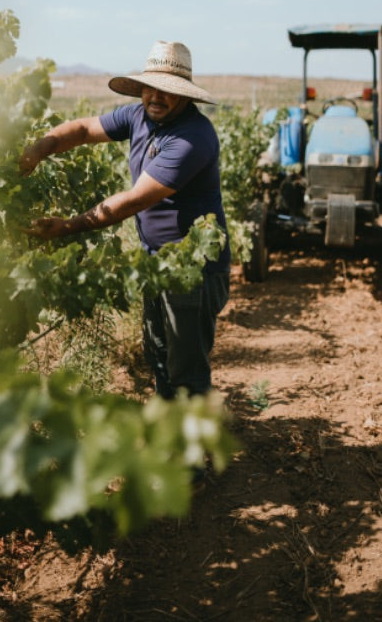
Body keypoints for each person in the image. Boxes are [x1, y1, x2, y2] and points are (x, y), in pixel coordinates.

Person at [19, 40, 231, 400]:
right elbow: (85, 130)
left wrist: (67, 226)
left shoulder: (192, 138)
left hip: (191, 271)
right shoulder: (137, 116)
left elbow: (133, 200)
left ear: (185, 97)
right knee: (159, 358)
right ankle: (169, 444)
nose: (156, 97)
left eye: (167, 91)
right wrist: (41, 147)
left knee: (186, 374)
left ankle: (191, 455)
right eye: (151, 88)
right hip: (155, 263)